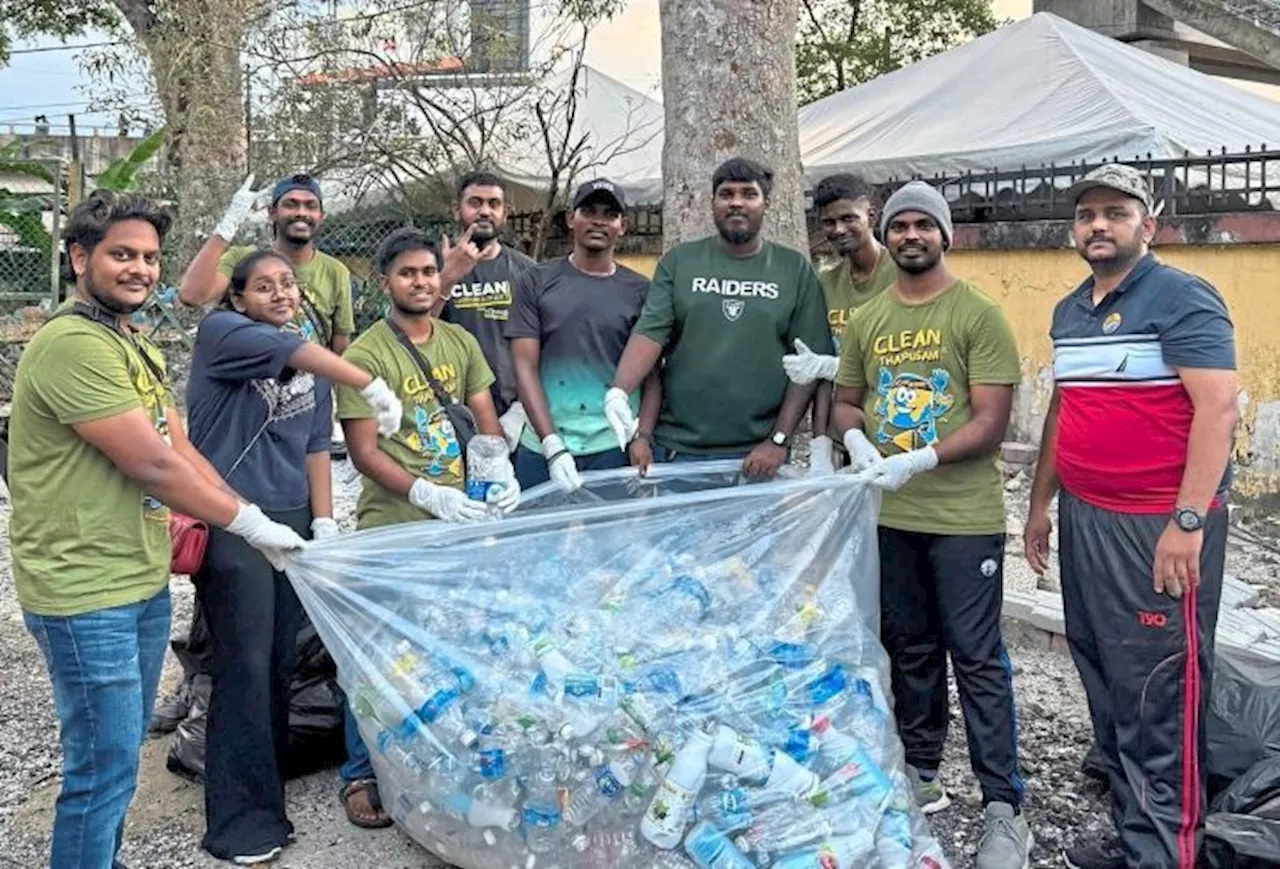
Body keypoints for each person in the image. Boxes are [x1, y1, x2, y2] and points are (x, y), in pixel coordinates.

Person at [8, 190, 307, 869]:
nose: (140, 268)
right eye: (121, 254)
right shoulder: (71, 346)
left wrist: (240, 510)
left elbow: (180, 442)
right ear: (79, 257)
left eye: (148, 256)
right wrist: (248, 521)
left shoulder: (128, 340)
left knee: (116, 764)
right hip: (85, 590)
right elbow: (149, 462)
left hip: (136, 576)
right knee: (101, 769)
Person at [1023, 164, 1238, 869]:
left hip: (1157, 526)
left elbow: (1218, 408)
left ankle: (1165, 852)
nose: (1098, 225)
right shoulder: (1069, 310)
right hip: (1088, 517)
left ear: (1147, 224)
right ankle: (1133, 829)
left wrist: (1187, 520)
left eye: (1115, 212)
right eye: (1086, 214)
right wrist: (1040, 503)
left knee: (1158, 685)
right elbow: (1066, 408)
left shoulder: (1182, 298)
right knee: (1105, 672)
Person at [831, 181, 1033, 869]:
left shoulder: (976, 313)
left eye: (923, 224)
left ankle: (1004, 805)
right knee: (910, 647)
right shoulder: (870, 318)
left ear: (945, 234)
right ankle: (921, 772)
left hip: (962, 518)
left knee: (975, 656)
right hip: (892, 514)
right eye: (899, 226)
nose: (910, 235)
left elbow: (990, 421)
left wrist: (920, 455)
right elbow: (847, 401)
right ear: (886, 236)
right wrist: (858, 442)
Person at [185, 250, 402, 864]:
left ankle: (268, 790)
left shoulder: (311, 356)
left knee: (281, 660)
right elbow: (293, 355)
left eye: (288, 284)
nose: (280, 293)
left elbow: (313, 446)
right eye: (263, 286)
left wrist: (325, 520)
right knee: (245, 665)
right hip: (234, 517)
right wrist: (368, 378)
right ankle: (240, 823)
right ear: (237, 297)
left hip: (293, 521)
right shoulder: (221, 333)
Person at [334, 227, 519, 827]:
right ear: (384, 282)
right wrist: (423, 492)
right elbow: (364, 452)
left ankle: (438, 761)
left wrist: (497, 473)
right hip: (396, 524)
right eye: (408, 273)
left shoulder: (459, 340)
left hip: (461, 523)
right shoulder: (365, 355)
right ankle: (361, 771)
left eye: (429, 272)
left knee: (456, 645)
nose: (420, 281)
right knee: (380, 654)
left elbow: (485, 417)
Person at [159, 172, 357, 731]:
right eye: (290, 203)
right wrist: (226, 226)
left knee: (276, 629)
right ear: (272, 213)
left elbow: (335, 348)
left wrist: (326, 517)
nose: (300, 212)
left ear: (321, 215)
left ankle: (265, 727)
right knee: (227, 614)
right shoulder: (248, 263)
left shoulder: (336, 273)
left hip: (296, 424)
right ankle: (200, 705)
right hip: (233, 459)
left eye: (310, 204)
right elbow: (194, 294)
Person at [603, 157, 833, 479]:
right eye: (726, 194)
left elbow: (807, 363)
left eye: (748, 194)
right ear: (712, 203)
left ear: (765, 203)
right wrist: (619, 392)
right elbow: (650, 334)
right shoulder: (680, 261)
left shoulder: (793, 269)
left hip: (758, 457)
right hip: (678, 452)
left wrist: (779, 439)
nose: (736, 202)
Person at [506, 178, 658, 490]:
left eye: (609, 214)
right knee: (537, 538)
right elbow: (524, 367)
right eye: (588, 211)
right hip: (542, 447)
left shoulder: (642, 290)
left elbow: (653, 373)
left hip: (611, 447)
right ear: (570, 220)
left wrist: (642, 437)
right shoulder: (534, 281)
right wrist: (551, 445)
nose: (599, 221)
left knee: (612, 539)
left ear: (623, 225)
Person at [782, 172, 897, 471]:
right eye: (829, 222)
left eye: (849, 218)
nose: (838, 229)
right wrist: (821, 445)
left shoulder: (900, 276)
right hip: (844, 435)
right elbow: (818, 373)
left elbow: (903, 360)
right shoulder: (826, 283)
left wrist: (831, 366)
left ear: (871, 216)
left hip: (895, 429)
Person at [437, 170, 538, 454]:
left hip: (514, 419)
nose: (484, 211)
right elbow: (408, 332)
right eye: (475, 203)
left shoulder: (528, 272)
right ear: (457, 210)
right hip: (447, 416)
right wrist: (448, 275)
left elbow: (545, 344)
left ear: (505, 213)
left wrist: (521, 412)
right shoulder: (431, 267)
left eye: (493, 204)